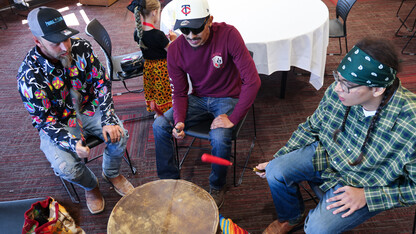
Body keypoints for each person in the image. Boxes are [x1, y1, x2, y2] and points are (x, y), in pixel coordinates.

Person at [256, 38, 416, 233]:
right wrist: (280, 156)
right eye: (337, 78)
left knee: (316, 229)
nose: (337, 87)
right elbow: (312, 126)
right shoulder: (338, 90)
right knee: (275, 170)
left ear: (377, 89)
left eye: (347, 84)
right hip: (327, 155)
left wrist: (367, 196)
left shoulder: (410, 125)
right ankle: (291, 218)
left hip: (363, 183)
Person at [17, 7, 134, 214]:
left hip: (88, 107)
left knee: (120, 134)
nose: (65, 47)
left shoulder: (81, 47)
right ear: (38, 42)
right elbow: (46, 122)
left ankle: (111, 172)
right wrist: (72, 143)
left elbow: (101, 83)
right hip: (59, 124)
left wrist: (108, 118)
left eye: (67, 38)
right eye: (55, 43)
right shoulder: (29, 77)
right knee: (66, 168)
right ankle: (91, 186)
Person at [152, 0, 261, 208]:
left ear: (209, 21)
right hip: (199, 98)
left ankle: (217, 185)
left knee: (220, 138)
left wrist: (233, 118)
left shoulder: (229, 35)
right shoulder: (175, 50)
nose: (191, 36)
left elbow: (253, 81)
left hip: (228, 98)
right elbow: (180, 92)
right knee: (159, 125)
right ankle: (169, 181)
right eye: (185, 30)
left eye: (196, 29)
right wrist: (179, 121)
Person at [131, 0, 177, 114]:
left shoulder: (137, 32)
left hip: (148, 67)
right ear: (154, 12)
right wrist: (173, 40)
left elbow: (150, 44)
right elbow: (172, 52)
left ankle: (157, 111)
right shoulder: (159, 35)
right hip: (161, 68)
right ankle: (167, 113)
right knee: (163, 90)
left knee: (154, 89)